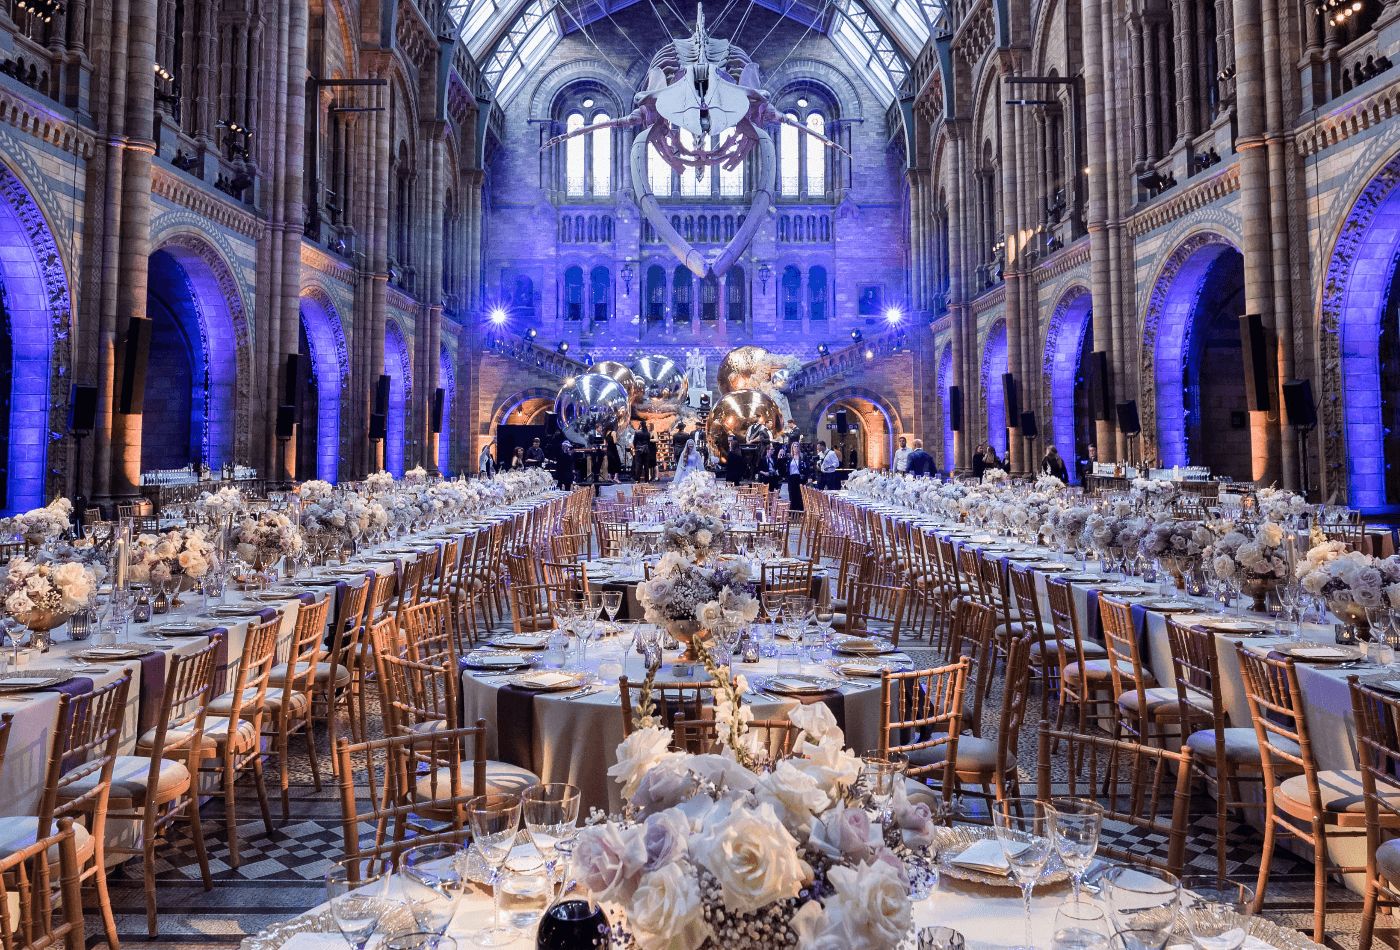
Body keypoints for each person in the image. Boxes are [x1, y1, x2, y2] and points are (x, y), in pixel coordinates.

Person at [780, 437, 808, 512]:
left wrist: (808, 477)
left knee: (800, 495)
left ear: (799, 447)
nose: (796, 448)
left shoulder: (802, 456)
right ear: (792, 448)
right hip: (791, 478)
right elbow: (782, 465)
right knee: (792, 494)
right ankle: (792, 512)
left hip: (800, 478)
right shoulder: (789, 457)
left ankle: (800, 512)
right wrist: (780, 455)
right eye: (794, 446)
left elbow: (807, 467)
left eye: (797, 446)